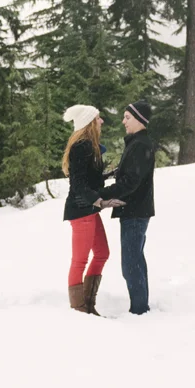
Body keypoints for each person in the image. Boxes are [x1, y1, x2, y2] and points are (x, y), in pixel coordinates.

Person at [61, 104, 120, 315]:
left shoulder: (89, 146)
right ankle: (79, 309)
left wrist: (110, 174)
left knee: (102, 253)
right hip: (80, 210)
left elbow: (89, 179)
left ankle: (88, 303)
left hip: (89, 210)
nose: (101, 121)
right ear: (89, 123)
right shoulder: (81, 146)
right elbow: (78, 184)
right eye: (97, 118)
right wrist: (97, 200)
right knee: (80, 260)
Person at [99, 100, 156, 315]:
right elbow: (128, 173)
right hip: (134, 211)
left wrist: (102, 194)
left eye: (127, 117)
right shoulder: (136, 143)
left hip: (135, 211)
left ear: (140, 120)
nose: (123, 121)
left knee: (131, 264)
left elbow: (131, 182)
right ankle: (140, 306)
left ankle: (139, 310)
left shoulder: (140, 145)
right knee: (135, 261)